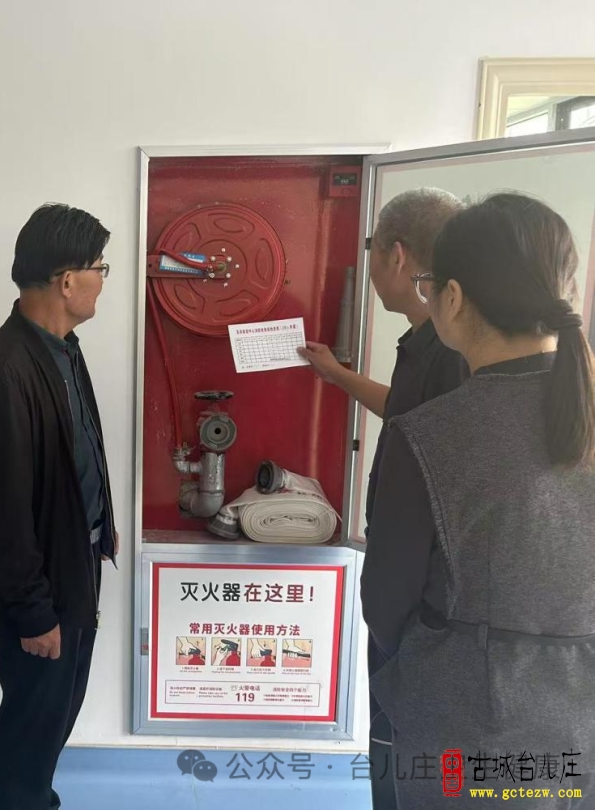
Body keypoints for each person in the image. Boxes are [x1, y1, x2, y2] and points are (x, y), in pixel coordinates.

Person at [362, 193, 595, 808]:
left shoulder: (428, 437)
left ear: (453, 297)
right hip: (580, 727)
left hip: (462, 730)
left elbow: (385, 606)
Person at [298, 187, 466, 809]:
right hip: (406, 596)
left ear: (396, 255)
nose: (369, 266)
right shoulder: (424, 342)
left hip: (423, 606)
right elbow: (404, 413)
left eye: (369, 250)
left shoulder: (451, 356)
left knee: (406, 751)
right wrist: (336, 375)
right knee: (390, 741)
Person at [0, 204, 118, 810]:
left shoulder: (63, 349)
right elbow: (3, 513)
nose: (103, 279)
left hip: (75, 564)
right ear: (68, 280)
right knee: (31, 730)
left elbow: (79, 446)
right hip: (42, 590)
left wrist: (103, 523)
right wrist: (32, 614)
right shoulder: (4, 371)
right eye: (100, 267)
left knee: (54, 719)